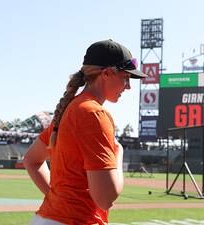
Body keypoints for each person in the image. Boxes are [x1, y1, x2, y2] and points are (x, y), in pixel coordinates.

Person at [24, 39, 147, 225]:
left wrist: (59, 198)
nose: (128, 86)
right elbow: (106, 199)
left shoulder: (70, 109)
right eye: (125, 77)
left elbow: (31, 160)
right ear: (107, 73)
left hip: (46, 218)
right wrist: (118, 154)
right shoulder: (94, 113)